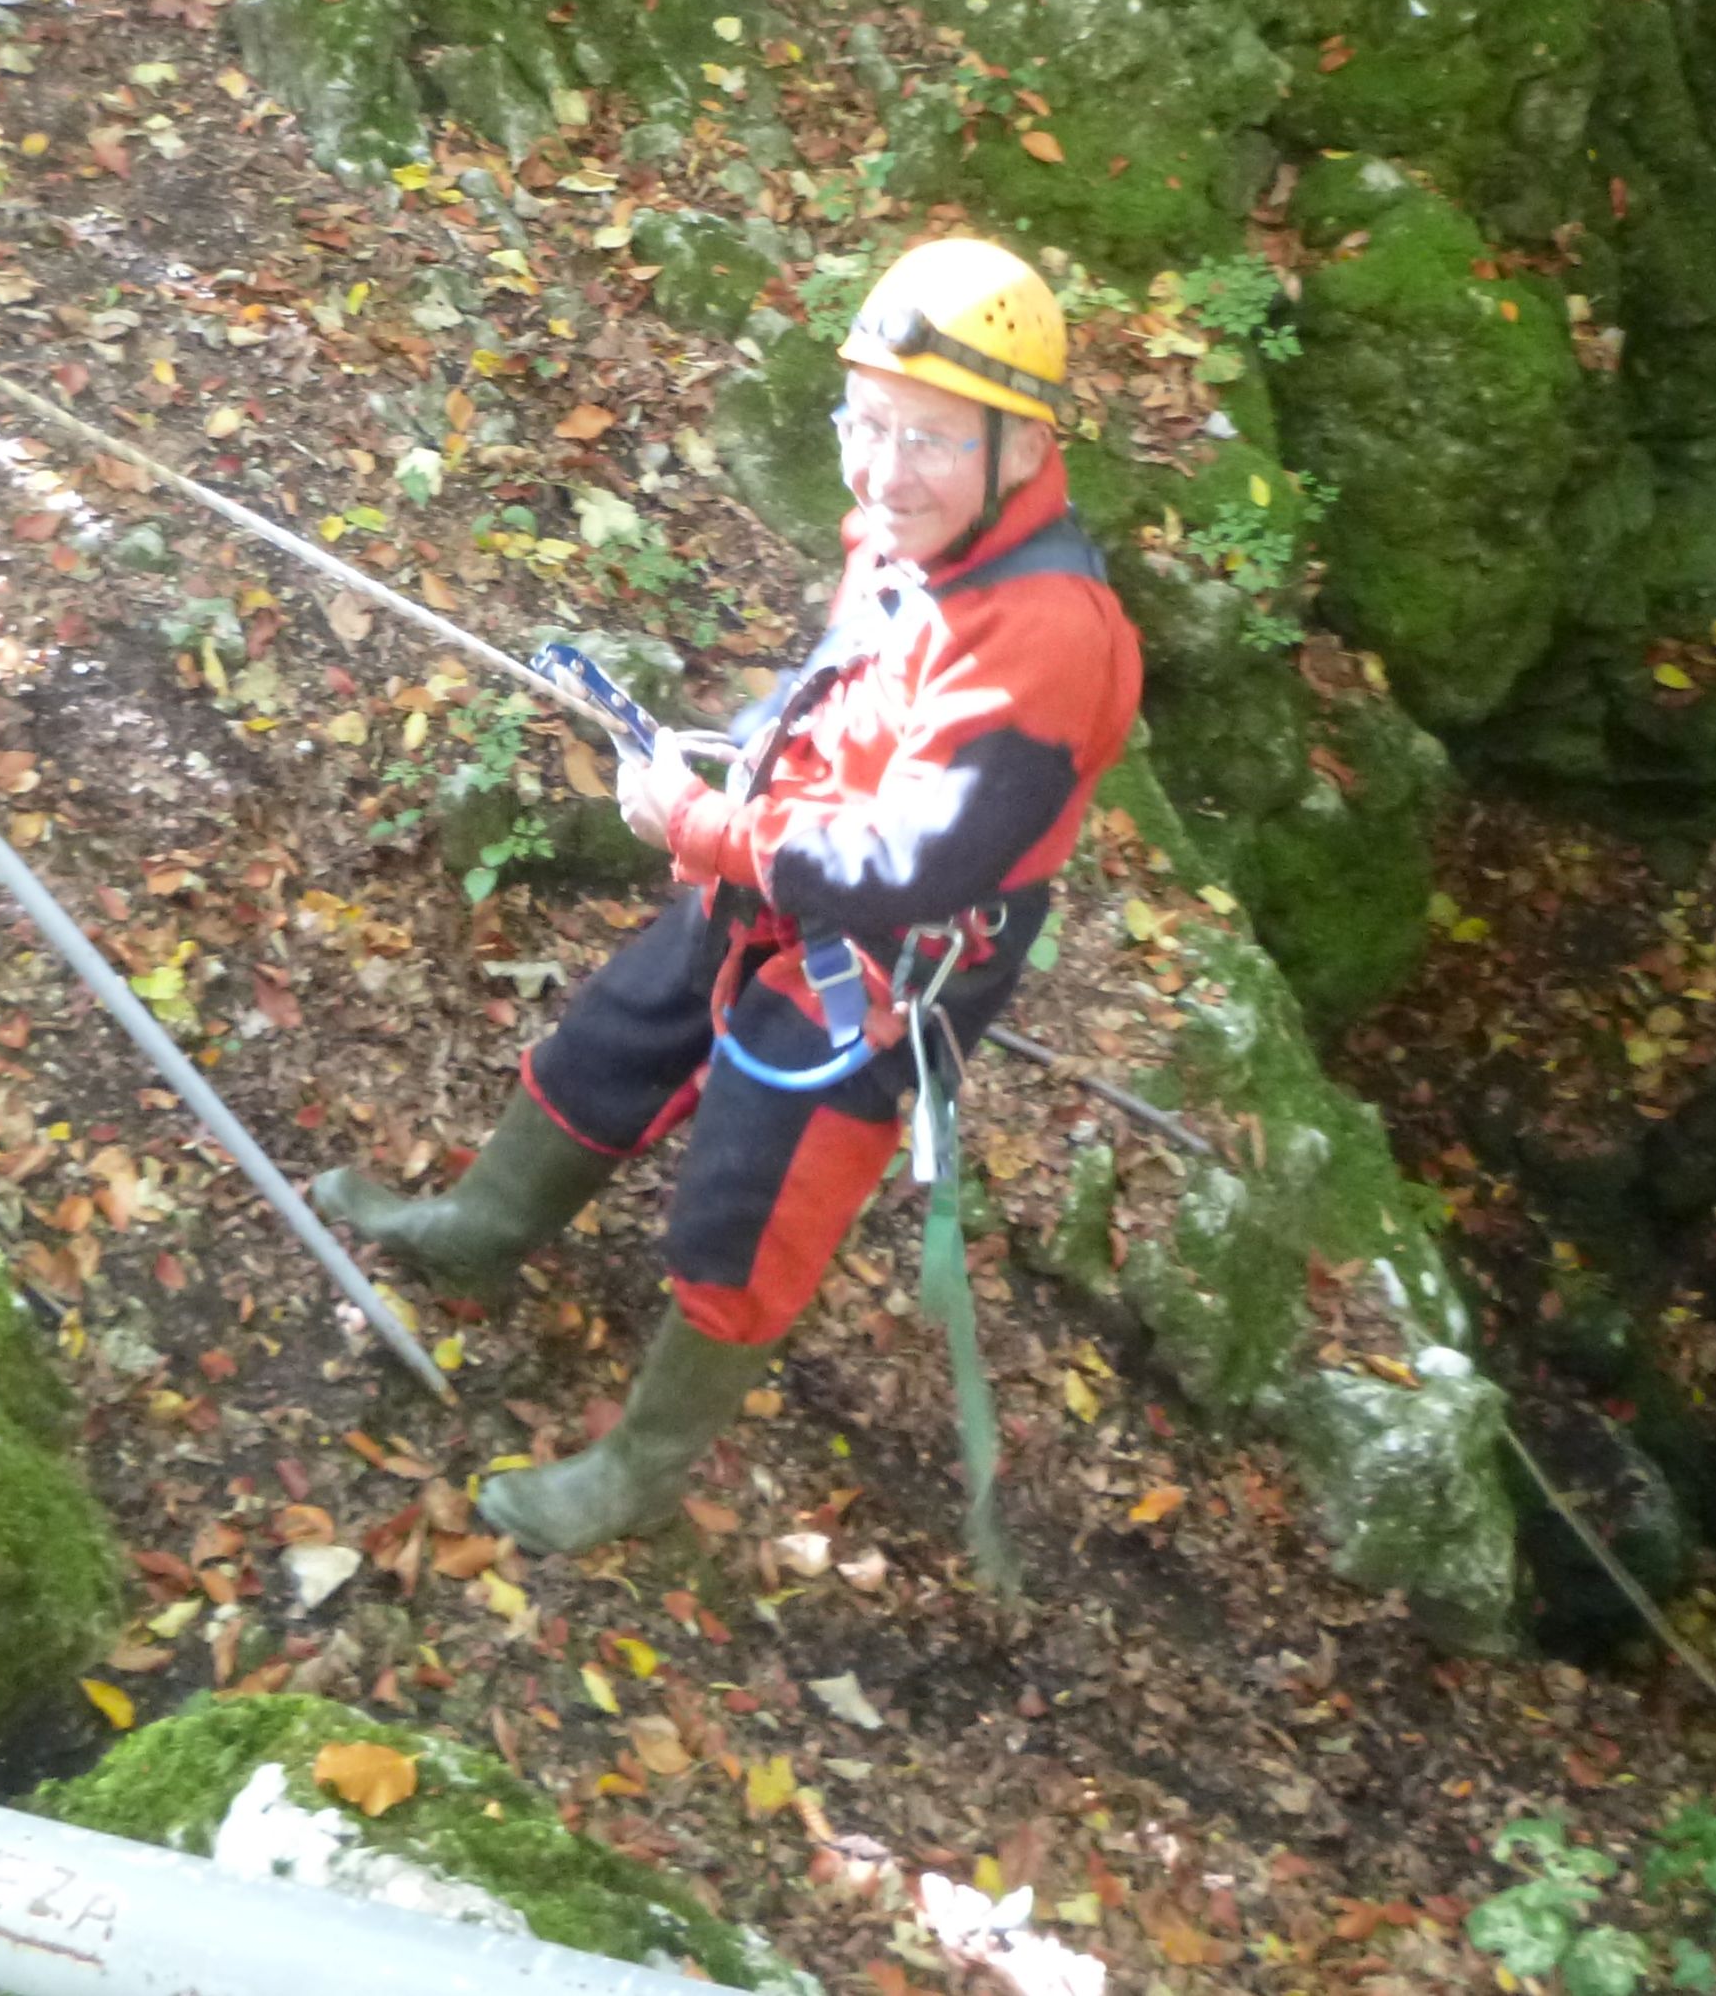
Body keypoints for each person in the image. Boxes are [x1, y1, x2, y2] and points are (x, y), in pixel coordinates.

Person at [314, 240, 1145, 1551]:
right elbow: (836, 689)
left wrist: (711, 827)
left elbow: (917, 859)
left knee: (750, 1201)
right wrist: (734, 765)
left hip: (884, 969)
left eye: (926, 437)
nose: (881, 470)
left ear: (1023, 447)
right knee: (615, 1033)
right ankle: (481, 1224)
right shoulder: (901, 541)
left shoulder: (1044, 635)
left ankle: (640, 1471)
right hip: (781, 869)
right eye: (864, 424)